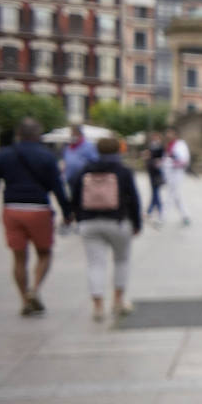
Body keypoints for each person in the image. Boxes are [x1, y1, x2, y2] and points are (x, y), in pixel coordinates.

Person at [0, 118, 73, 316]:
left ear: (18, 134)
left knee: (18, 258)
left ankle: (24, 299)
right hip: (39, 208)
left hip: (12, 209)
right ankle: (34, 289)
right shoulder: (47, 156)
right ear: (38, 136)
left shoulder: (4, 154)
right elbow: (58, 187)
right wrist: (67, 212)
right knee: (44, 253)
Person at [69, 137, 141, 322]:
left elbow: (75, 197)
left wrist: (78, 217)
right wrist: (137, 223)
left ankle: (98, 306)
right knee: (122, 261)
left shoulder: (85, 170)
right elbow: (133, 198)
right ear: (118, 150)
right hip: (118, 222)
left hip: (89, 222)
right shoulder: (123, 171)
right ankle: (118, 301)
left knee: (95, 264)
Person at [162, 126, 191, 226]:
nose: (168, 135)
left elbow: (184, 160)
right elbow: (166, 159)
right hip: (169, 174)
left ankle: (162, 218)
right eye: (167, 133)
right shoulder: (168, 145)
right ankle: (185, 216)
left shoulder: (180, 145)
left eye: (170, 133)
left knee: (171, 195)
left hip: (177, 173)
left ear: (176, 135)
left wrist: (172, 162)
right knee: (176, 196)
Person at [144, 131, 166, 227]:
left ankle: (154, 210)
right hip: (151, 171)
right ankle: (153, 210)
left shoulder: (160, 147)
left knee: (155, 191)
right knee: (154, 191)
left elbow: (161, 158)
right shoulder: (151, 146)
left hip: (157, 171)